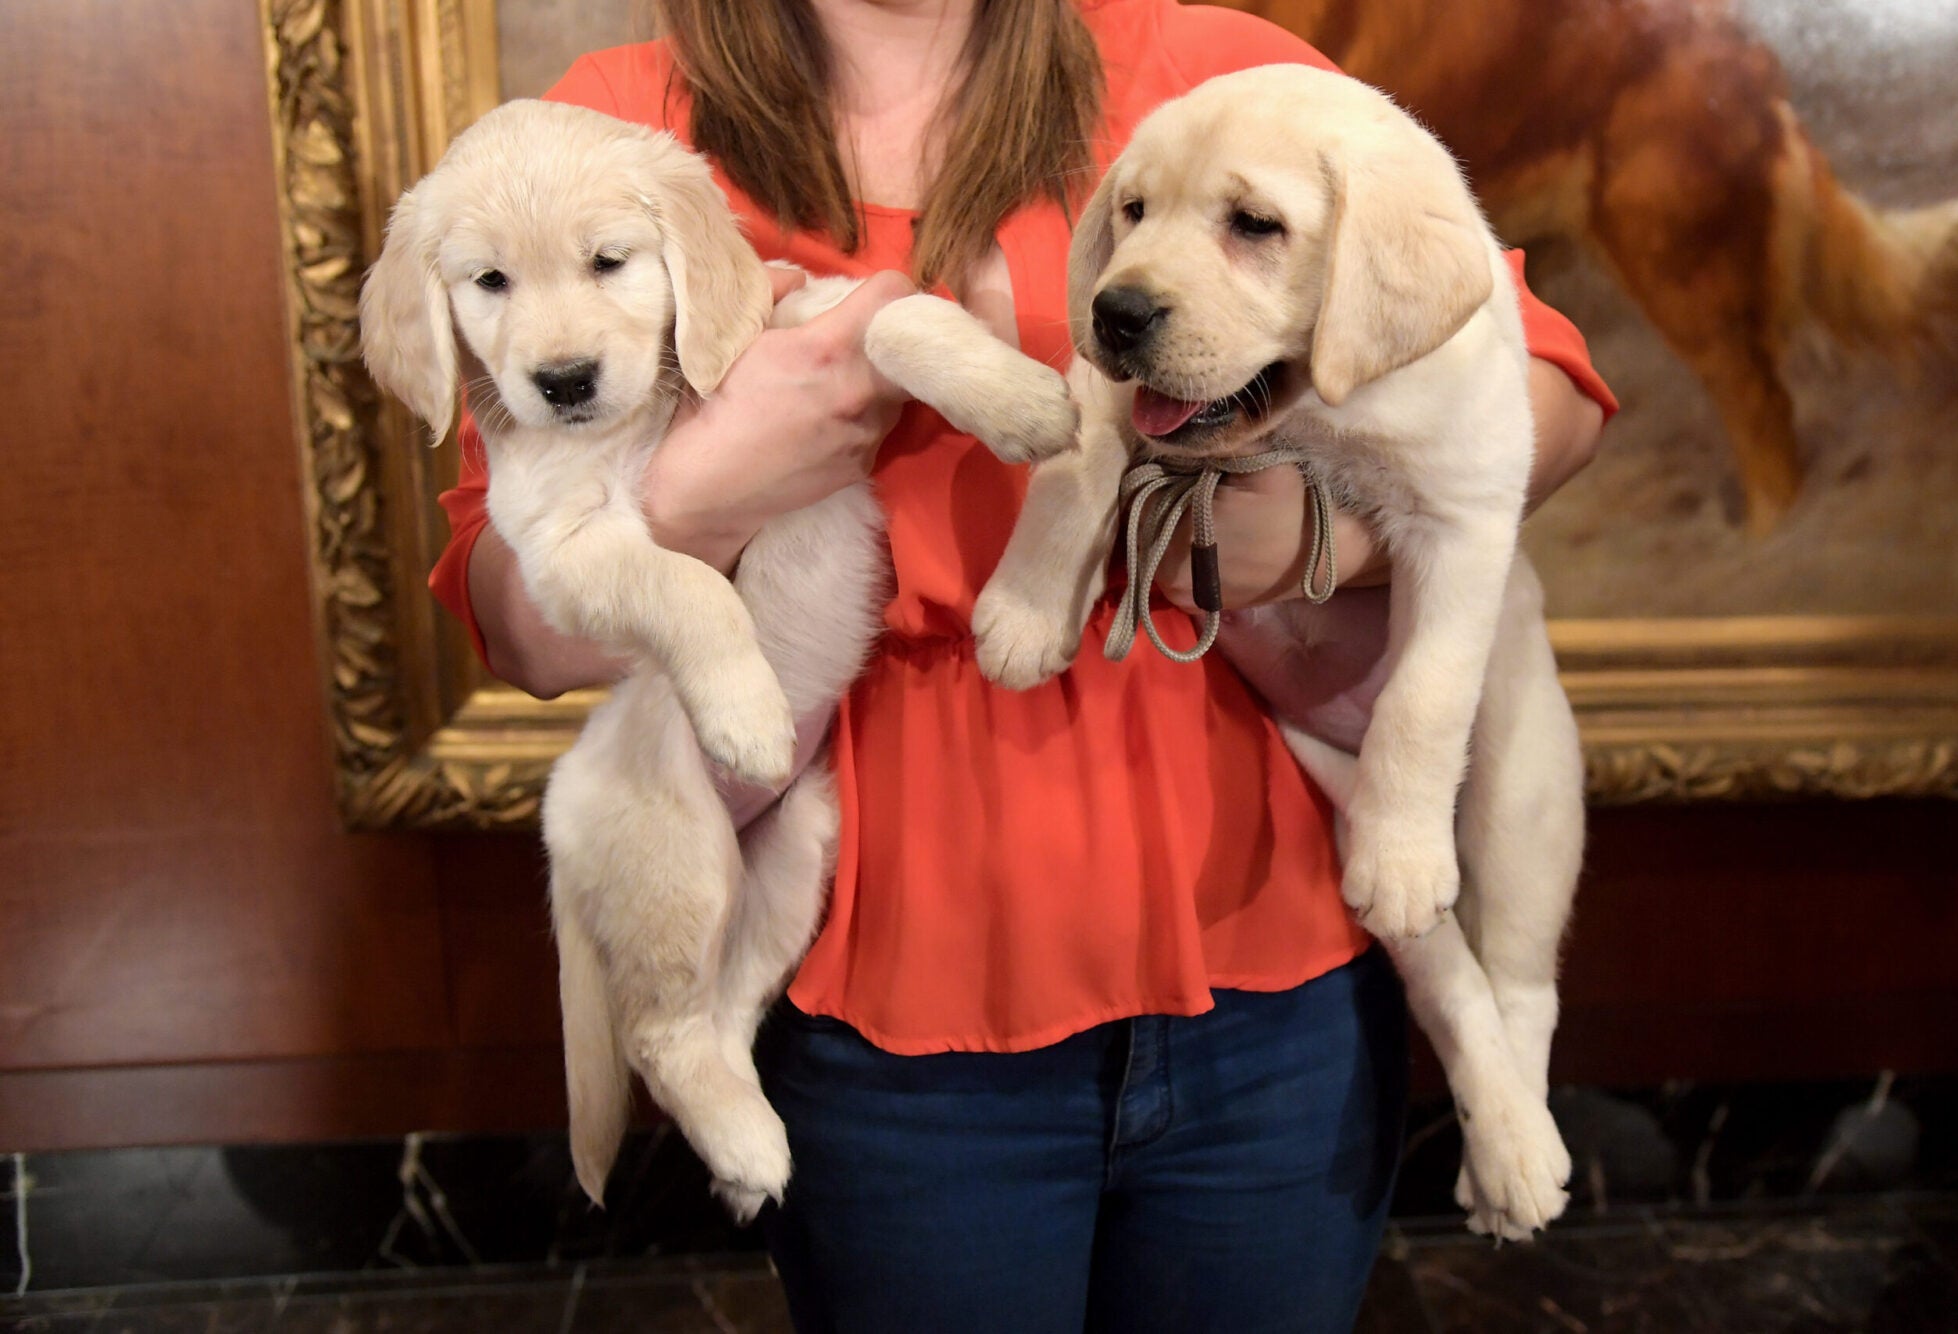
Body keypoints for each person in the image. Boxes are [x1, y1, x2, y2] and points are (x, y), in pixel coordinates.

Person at [431, 1, 1616, 1328]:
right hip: (885, 998)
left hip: (1271, 977)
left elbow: (1548, 389)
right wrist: (704, 490)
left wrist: (1314, 544)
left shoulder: (1204, 65)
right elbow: (522, 624)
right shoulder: (621, 118)